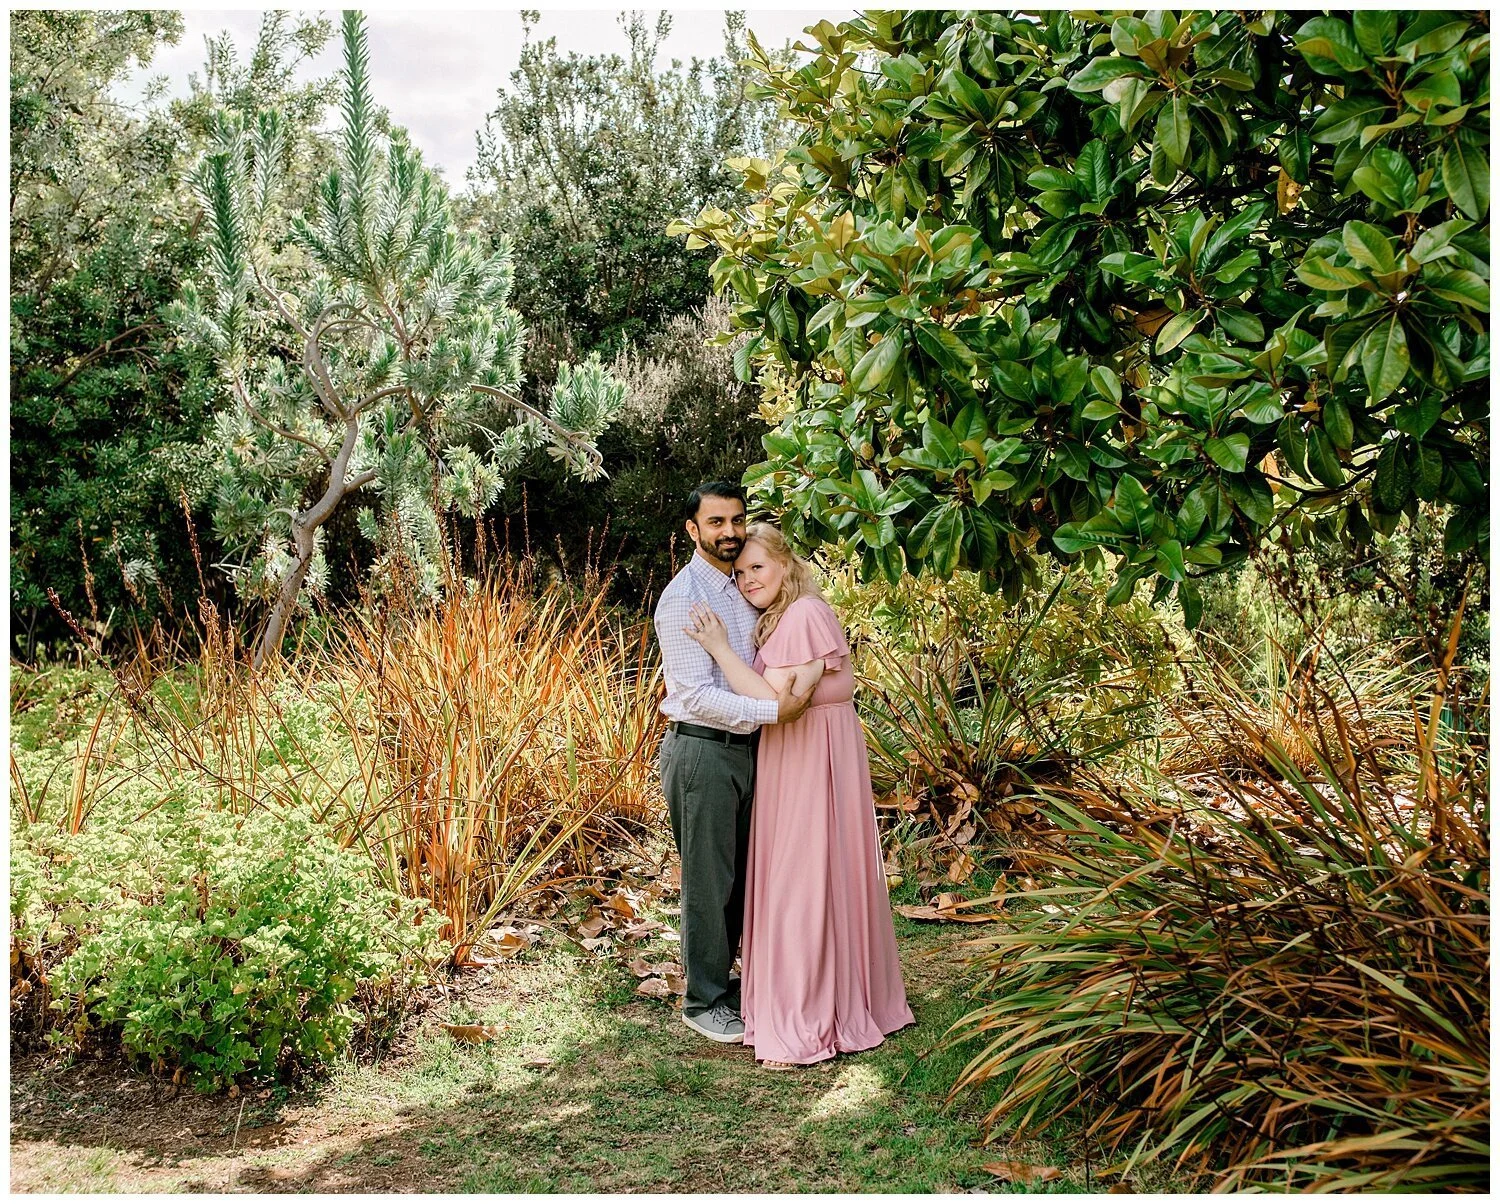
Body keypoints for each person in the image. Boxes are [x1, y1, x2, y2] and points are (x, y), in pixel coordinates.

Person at [684, 522, 914, 1069]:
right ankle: (818, 994)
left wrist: (718, 647)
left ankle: (811, 1008)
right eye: (739, 573)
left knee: (805, 879)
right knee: (810, 876)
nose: (746, 580)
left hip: (813, 757)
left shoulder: (807, 613)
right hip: (797, 757)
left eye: (757, 568)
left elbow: (774, 699)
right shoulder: (782, 619)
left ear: (786, 565)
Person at [652, 482, 821, 1044]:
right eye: (716, 522)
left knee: (744, 876)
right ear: (692, 530)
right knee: (709, 880)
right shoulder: (684, 599)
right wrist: (771, 709)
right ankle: (704, 1000)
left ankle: (742, 986)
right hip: (702, 748)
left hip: (749, 751)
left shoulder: (738, 585)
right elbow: (694, 694)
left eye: (736, 520)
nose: (729, 532)